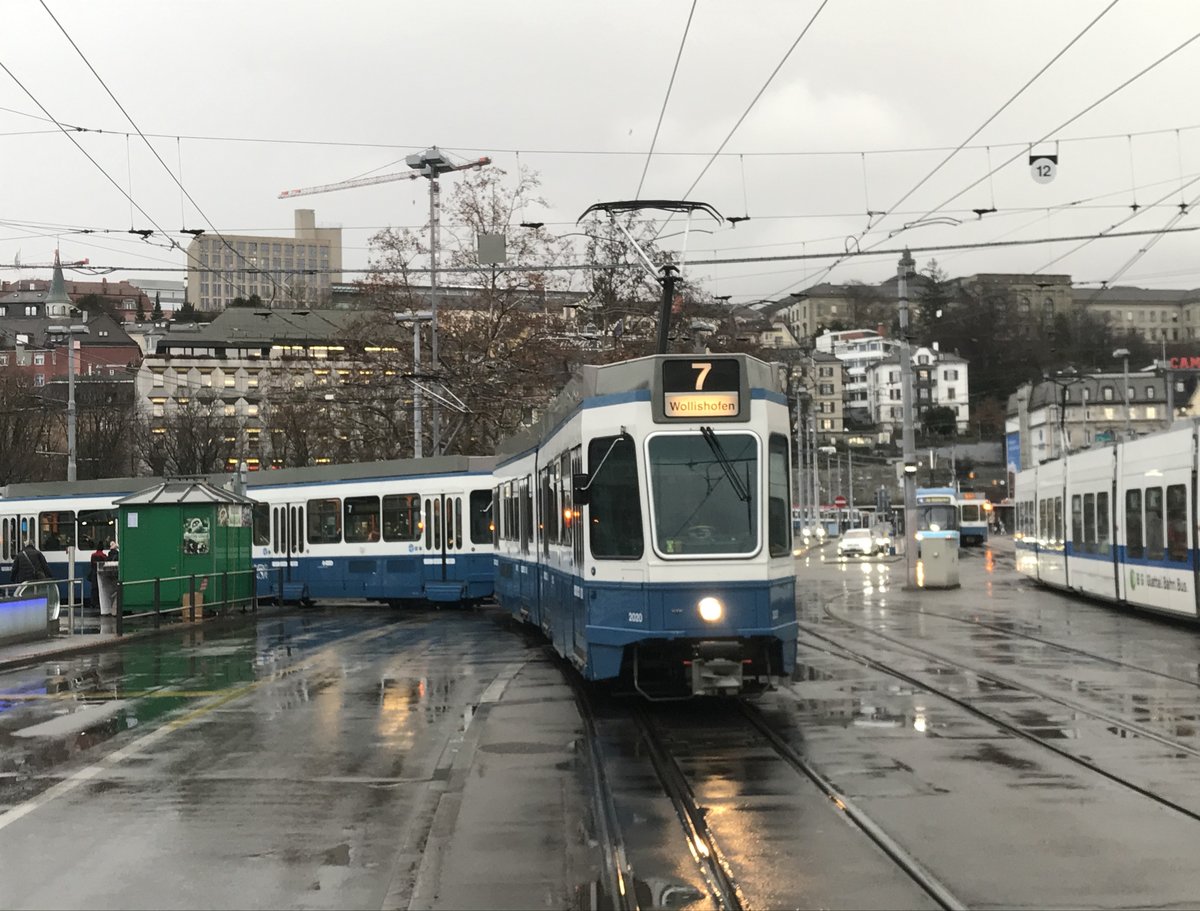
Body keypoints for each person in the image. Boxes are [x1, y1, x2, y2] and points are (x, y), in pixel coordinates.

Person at [88, 543, 108, 611]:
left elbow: (91, 564)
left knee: (93, 589)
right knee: (100, 589)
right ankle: (99, 603)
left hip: (94, 574)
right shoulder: (104, 556)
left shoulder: (93, 555)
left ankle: (93, 603)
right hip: (101, 574)